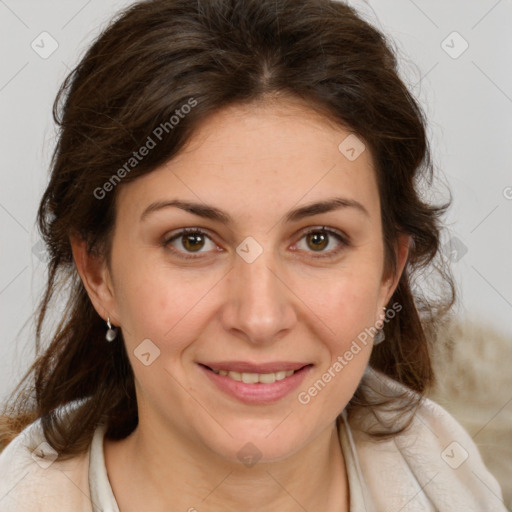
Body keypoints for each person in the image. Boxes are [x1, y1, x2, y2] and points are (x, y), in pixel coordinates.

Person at [0, 0, 507, 510]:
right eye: (192, 241)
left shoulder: (458, 483)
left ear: (388, 273)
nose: (260, 318)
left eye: (318, 239)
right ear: (98, 273)